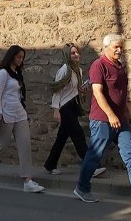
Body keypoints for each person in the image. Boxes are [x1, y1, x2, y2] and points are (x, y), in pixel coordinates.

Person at [73, 34, 131, 206]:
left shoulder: (120, 67)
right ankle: (82, 188)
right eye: (116, 47)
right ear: (106, 48)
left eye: (121, 47)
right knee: (94, 156)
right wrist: (111, 115)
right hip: (102, 120)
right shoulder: (98, 66)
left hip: (121, 121)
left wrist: (126, 111)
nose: (120, 50)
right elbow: (97, 92)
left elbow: (122, 93)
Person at [0, 45, 45, 193]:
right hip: (5, 114)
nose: (20, 60)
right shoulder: (3, 73)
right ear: (11, 56)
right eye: (18, 56)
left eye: (22, 57)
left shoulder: (17, 73)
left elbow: (18, 95)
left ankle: (27, 180)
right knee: (1, 147)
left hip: (19, 114)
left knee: (25, 145)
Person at [44, 43, 106, 177]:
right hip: (64, 107)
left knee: (61, 138)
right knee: (78, 136)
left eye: (77, 52)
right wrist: (56, 110)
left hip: (73, 105)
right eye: (73, 53)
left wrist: (82, 89)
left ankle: (50, 164)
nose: (76, 55)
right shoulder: (64, 70)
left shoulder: (78, 70)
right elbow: (57, 91)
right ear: (67, 55)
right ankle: (91, 168)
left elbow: (74, 90)